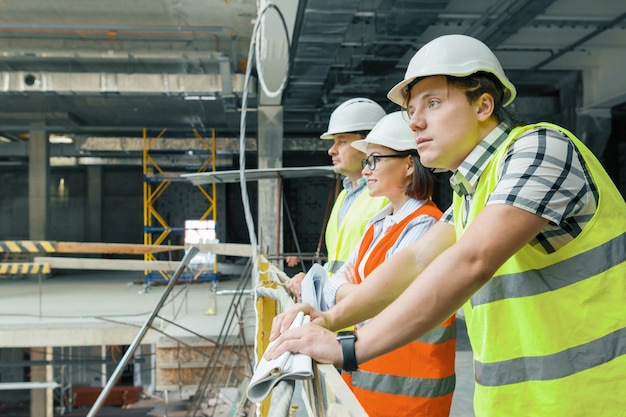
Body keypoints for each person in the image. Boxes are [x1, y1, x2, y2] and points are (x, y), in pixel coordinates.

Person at [266, 34, 626, 417]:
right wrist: (333, 318)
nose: (416, 121)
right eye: (411, 110)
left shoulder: (540, 148)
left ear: (484, 105)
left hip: (593, 399)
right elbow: (416, 261)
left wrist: (348, 346)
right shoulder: (468, 193)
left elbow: (474, 259)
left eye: (433, 103)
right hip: (514, 405)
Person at [323, 111, 455, 417]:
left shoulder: (427, 226)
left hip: (410, 395)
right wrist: (361, 293)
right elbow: (342, 288)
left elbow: (382, 301)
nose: (366, 170)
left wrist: (356, 292)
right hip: (367, 387)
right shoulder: (378, 224)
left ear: (409, 164)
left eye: (374, 160)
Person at [285, 98, 389, 300]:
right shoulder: (344, 196)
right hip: (342, 307)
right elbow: (337, 263)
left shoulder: (391, 195)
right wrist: (311, 280)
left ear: (369, 144)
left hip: (368, 311)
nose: (331, 150)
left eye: (341, 141)